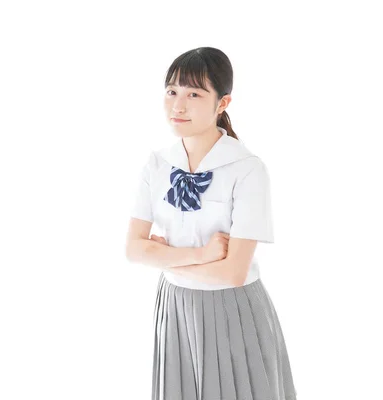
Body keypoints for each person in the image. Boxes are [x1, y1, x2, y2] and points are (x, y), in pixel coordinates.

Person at [125, 47, 298, 400]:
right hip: (174, 308)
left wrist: (166, 258)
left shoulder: (247, 169)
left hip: (233, 309)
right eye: (172, 92)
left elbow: (234, 273)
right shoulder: (156, 165)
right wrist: (204, 254)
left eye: (194, 94)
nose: (178, 105)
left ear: (222, 103)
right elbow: (133, 249)